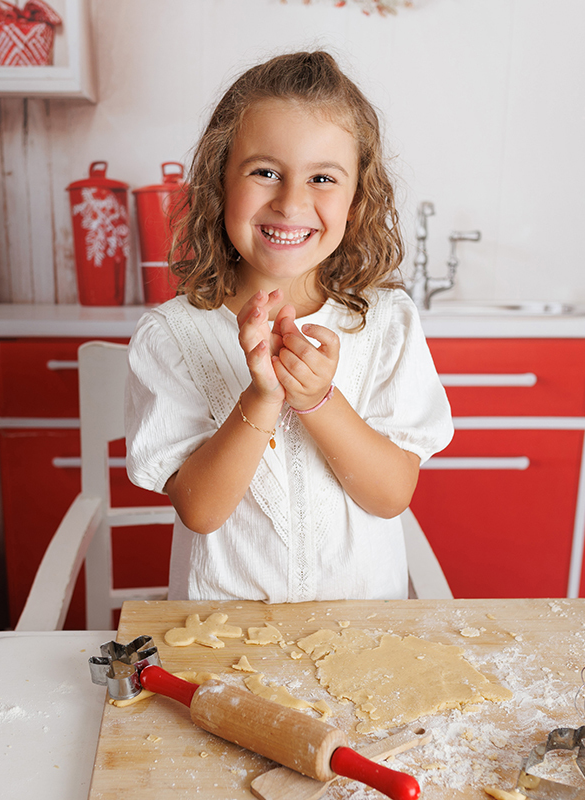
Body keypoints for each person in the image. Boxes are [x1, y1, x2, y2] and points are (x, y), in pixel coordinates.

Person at [125, 50, 453, 604]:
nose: (291, 202)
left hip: (363, 631)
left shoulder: (387, 323)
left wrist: (319, 400)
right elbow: (200, 511)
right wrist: (262, 398)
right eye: (265, 172)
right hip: (223, 634)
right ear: (219, 182)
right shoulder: (170, 335)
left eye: (322, 178)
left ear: (356, 201)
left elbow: (391, 495)